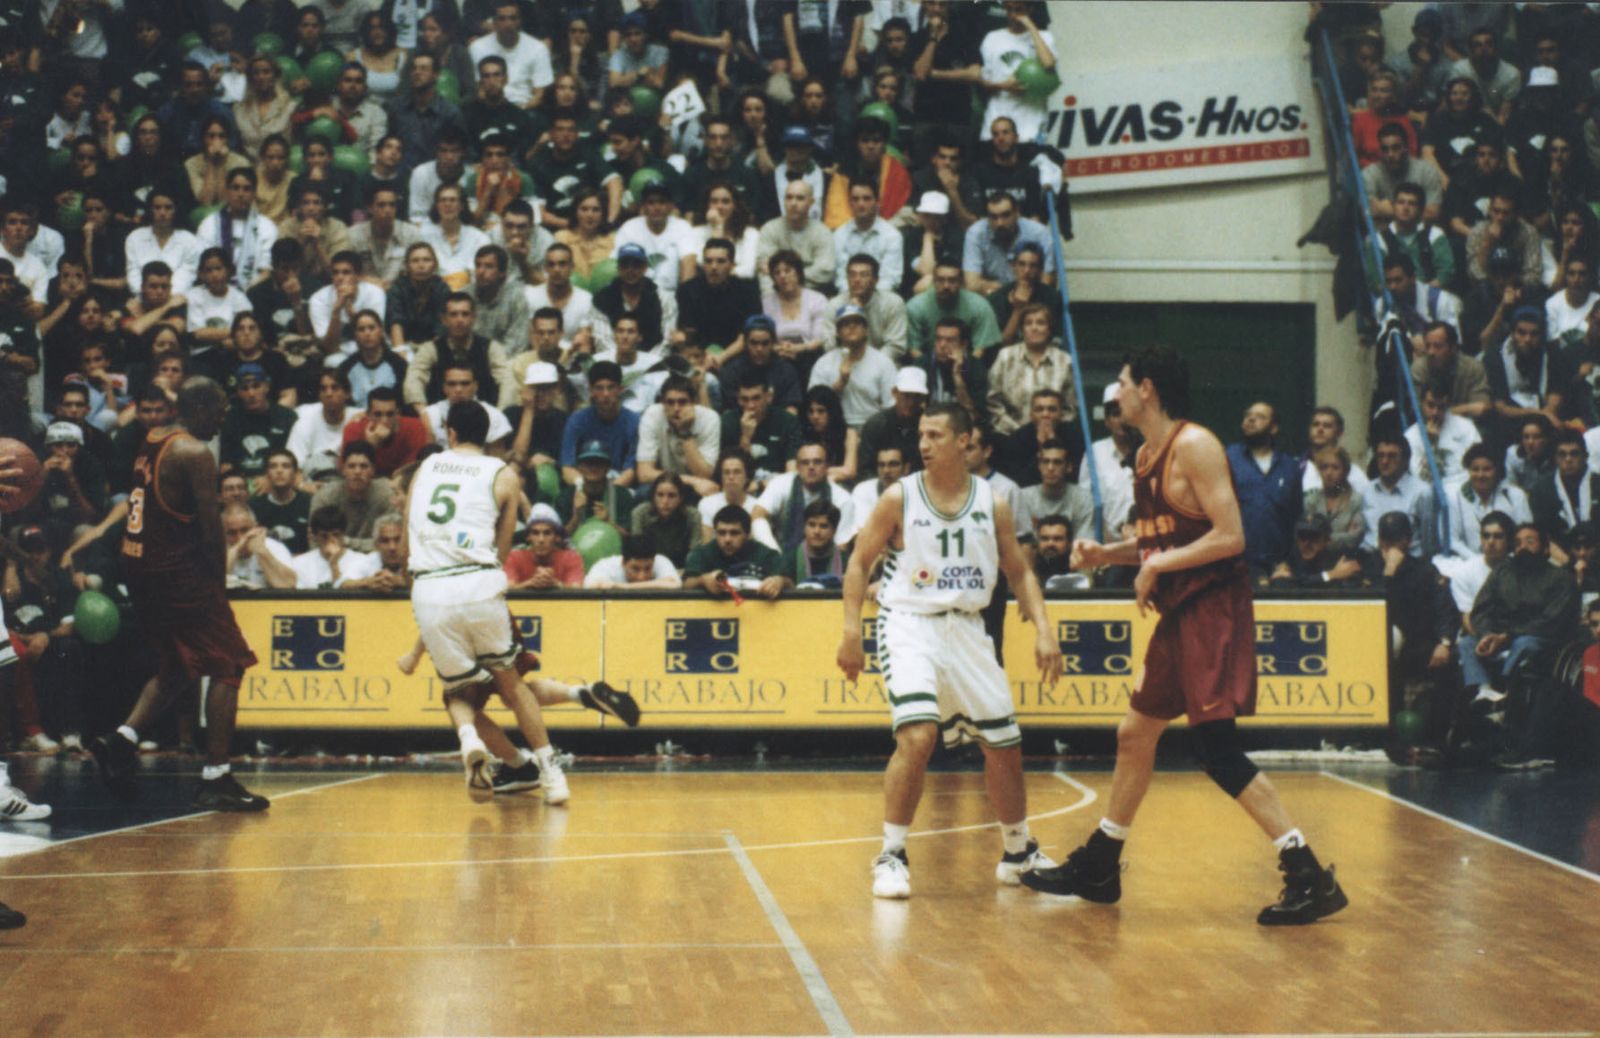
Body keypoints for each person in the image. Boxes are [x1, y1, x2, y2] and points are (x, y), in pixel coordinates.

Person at [1022, 348, 1348, 925]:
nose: (1114, 393)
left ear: (1146, 388)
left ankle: (1306, 871)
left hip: (1213, 610)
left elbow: (1231, 537)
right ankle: (1101, 863)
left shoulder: (1194, 445)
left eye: (1121, 383)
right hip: (1182, 612)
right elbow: (1164, 538)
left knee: (1217, 751)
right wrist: (1112, 553)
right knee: (1134, 733)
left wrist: (1154, 568)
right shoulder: (1146, 455)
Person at [839, 400, 1061, 899]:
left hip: (968, 627)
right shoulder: (899, 497)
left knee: (1004, 745)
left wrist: (1044, 629)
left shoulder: (993, 501)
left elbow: (1019, 570)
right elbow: (858, 563)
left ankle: (1017, 850)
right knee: (917, 738)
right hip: (908, 622)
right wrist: (851, 631)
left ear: (965, 441)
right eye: (921, 435)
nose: (923, 444)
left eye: (935, 435)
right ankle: (891, 854)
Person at [89, 378, 269, 810]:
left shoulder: (154, 437)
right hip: (177, 574)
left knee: (177, 664)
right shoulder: (195, 452)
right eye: (221, 410)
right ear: (201, 408)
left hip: (142, 569)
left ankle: (120, 741)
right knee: (228, 663)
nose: (224, 418)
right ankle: (217, 776)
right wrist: (217, 585)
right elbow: (211, 531)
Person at [404, 401, 575, 803]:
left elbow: (410, 520)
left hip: (429, 587)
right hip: (478, 582)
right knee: (513, 686)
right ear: (489, 436)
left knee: (457, 693)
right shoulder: (504, 474)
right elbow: (502, 546)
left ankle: (469, 742)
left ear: (448, 432)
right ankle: (552, 775)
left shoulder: (425, 468)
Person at [683, 505, 784, 597]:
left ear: (748, 535)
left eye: (734, 533)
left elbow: (790, 582)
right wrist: (703, 580)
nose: (727, 539)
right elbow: (686, 583)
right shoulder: (702, 553)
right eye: (721, 533)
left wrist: (779, 581)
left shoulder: (766, 554)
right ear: (715, 533)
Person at [583, 533, 681, 590]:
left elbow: (674, 584)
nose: (642, 576)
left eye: (647, 568)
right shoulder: (605, 566)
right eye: (635, 569)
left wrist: (624, 587)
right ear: (623, 563)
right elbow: (593, 586)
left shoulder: (660, 561)